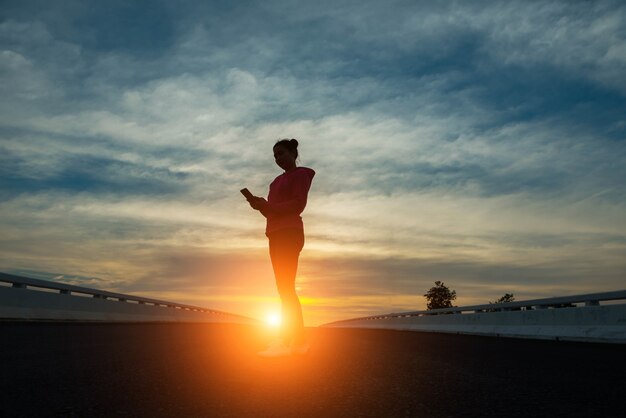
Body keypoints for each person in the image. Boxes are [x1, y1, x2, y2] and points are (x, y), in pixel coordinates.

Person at [246, 138, 315, 357]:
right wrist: (259, 206)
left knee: (286, 286)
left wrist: (269, 207)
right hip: (275, 234)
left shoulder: (301, 174)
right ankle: (292, 339)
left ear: (294, 153)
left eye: (282, 154)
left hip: (289, 232)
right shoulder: (275, 182)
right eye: (275, 156)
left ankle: (293, 340)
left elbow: (297, 204)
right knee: (283, 287)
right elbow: (271, 211)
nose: (278, 159)